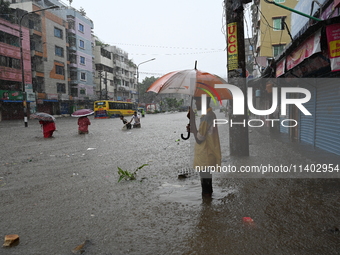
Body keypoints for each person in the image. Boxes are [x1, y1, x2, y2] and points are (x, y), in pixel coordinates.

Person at [187, 96, 221, 197]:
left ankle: (206, 206)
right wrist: (192, 129)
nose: (196, 103)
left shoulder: (207, 117)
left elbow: (199, 139)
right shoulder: (209, 115)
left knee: (206, 187)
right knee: (207, 184)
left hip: (205, 154)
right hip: (207, 154)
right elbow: (202, 134)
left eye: (197, 100)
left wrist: (192, 120)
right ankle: (208, 206)